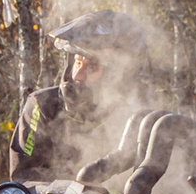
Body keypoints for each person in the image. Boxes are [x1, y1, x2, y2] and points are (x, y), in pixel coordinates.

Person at [9, 9, 157, 180]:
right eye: (78, 62)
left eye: (92, 66)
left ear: (116, 73)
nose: (78, 74)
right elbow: (25, 177)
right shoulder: (43, 105)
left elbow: (158, 185)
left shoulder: (137, 115)